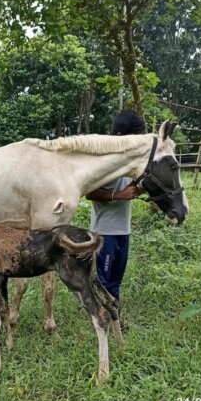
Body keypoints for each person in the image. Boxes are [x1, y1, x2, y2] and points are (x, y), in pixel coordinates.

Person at [85, 109, 145, 312]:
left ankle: (114, 315)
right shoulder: (105, 164)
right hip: (105, 233)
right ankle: (100, 317)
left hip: (123, 230)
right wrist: (119, 195)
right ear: (119, 137)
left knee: (115, 280)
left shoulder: (130, 162)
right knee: (103, 280)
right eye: (134, 139)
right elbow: (90, 193)